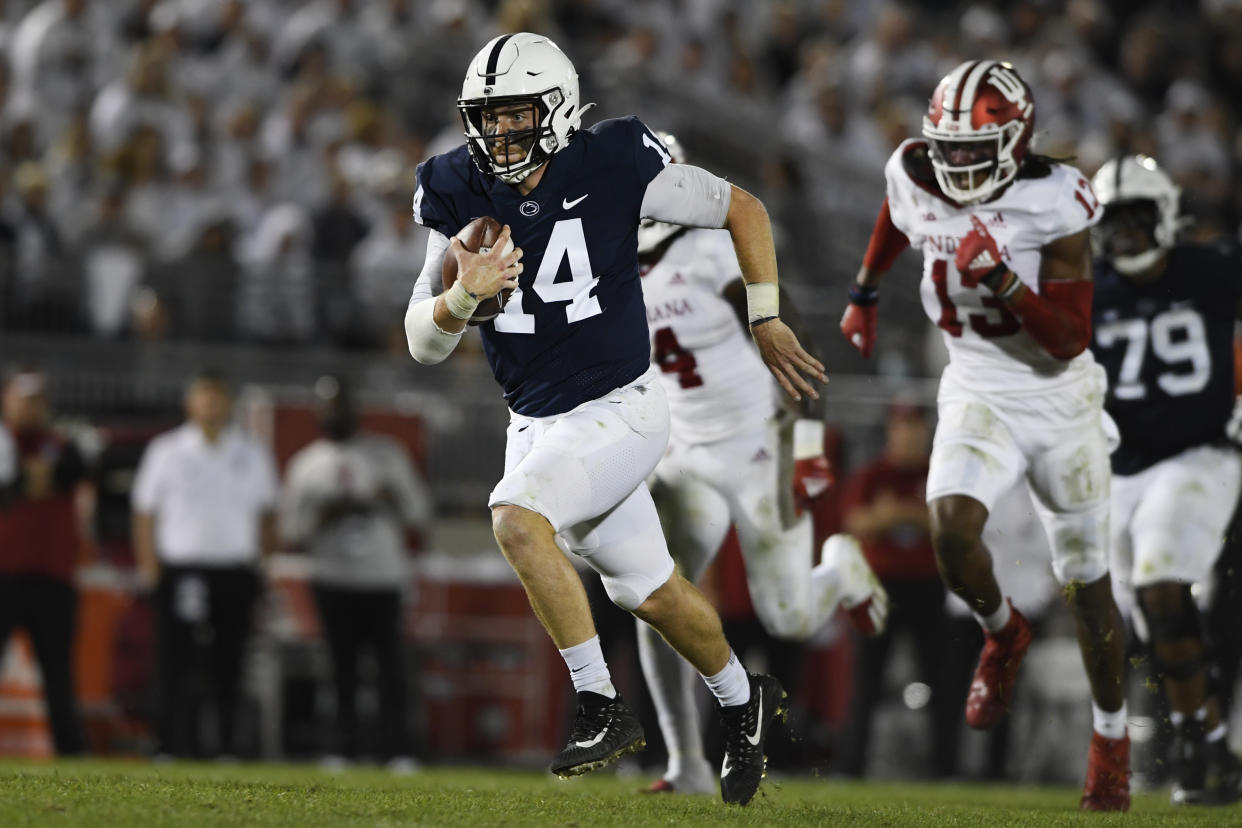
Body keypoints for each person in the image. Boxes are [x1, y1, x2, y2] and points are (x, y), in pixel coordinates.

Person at [404, 32, 825, 806]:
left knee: (513, 517)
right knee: (650, 591)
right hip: (534, 418)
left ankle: (600, 702)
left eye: (516, 115)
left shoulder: (615, 160)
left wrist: (765, 316)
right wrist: (466, 293)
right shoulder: (456, 188)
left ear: (558, 108)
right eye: (487, 118)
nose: (499, 134)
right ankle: (745, 701)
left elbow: (744, 208)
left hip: (621, 409)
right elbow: (421, 341)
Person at [840, 59, 1130, 810]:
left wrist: (1003, 280)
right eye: (949, 147)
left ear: (1015, 139)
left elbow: (1069, 337)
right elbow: (895, 215)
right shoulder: (914, 168)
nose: (957, 162)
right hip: (975, 385)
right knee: (951, 530)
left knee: (1089, 587)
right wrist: (864, 293)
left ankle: (1111, 739)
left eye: (975, 148)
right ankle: (1002, 634)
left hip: (1058, 399)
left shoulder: (1055, 198)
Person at [631, 131, 887, 795]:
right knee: (655, 596)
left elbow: (796, 343)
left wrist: (808, 448)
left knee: (789, 618)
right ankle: (685, 763)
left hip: (757, 445)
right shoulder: (610, 266)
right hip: (683, 451)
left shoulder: (713, 246)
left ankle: (840, 570)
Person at [1088, 155, 1242, 805]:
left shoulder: (1210, 269)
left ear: (1167, 217)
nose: (1124, 233)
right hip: (1119, 472)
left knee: (1159, 583)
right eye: (1113, 221)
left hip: (1198, 455)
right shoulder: (1088, 288)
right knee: (1148, 622)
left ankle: (1190, 744)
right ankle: (1204, 740)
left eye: (1136, 218)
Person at [281, 375, 432, 771]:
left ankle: (395, 749)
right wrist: (326, 516)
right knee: (339, 667)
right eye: (328, 406)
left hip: (382, 576)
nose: (336, 414)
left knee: (389, 668)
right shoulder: (307, 465)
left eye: (342, 405)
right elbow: (290, 530)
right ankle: (341, 747)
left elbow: (419, 510)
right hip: (332, 576)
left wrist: (389, 499)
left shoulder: (386, 454)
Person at [131, 369, 278, 759]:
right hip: (182, 570)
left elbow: (267, 515)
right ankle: (170, 745)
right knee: (175, 663)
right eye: (204, 397)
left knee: (229, 662)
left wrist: (262, 565)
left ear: (229, 403)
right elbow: (145, 513)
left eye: (218, 397)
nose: (211, 405)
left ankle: (227, 746)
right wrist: (150, 568)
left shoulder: (251, 451)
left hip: (235, 570)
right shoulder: (166, 450)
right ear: (190, 403)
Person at [838, 401, 955, 779]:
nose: (909, 435)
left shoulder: (938, 473)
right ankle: (852, 765)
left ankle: (944, 769)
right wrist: (915, 517)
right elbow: (857, 522)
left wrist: (894, 515)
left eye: (915, 427)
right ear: (891, 431)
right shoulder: (871, 475)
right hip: (880, 588)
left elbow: (949, 526)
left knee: (940, 679)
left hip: (928, 586)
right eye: (902, 427)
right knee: (866, 680)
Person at [0, 368, 87, 755]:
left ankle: (70, 752)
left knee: (58, 673)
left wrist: (27, 481)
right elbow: (23, 484)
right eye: (23, 398)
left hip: (53, 576)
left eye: (36, 400)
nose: (29, 407)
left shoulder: (62, 444)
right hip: (3, 572)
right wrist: (28, 481)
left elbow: (74, 472)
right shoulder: (4, 443)